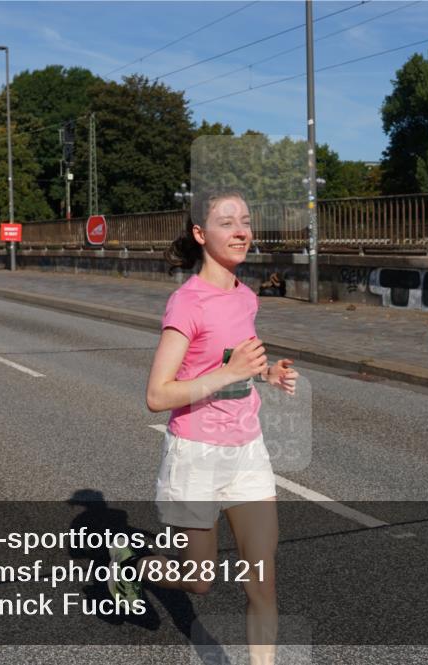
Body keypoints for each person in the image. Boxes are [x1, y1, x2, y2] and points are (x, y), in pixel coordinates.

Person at [116, 190, 298, 665]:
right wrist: (232, 373)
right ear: (201, 234)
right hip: (195, 456)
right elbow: (157, 395)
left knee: (262, 581)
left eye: (246, 221)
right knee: (200, 580)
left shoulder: (246, 296)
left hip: (247, 455)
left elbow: (238, 355)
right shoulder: (186, 304)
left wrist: (266, 372)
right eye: (226, 222)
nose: (241, 231)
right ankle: (133, 567)